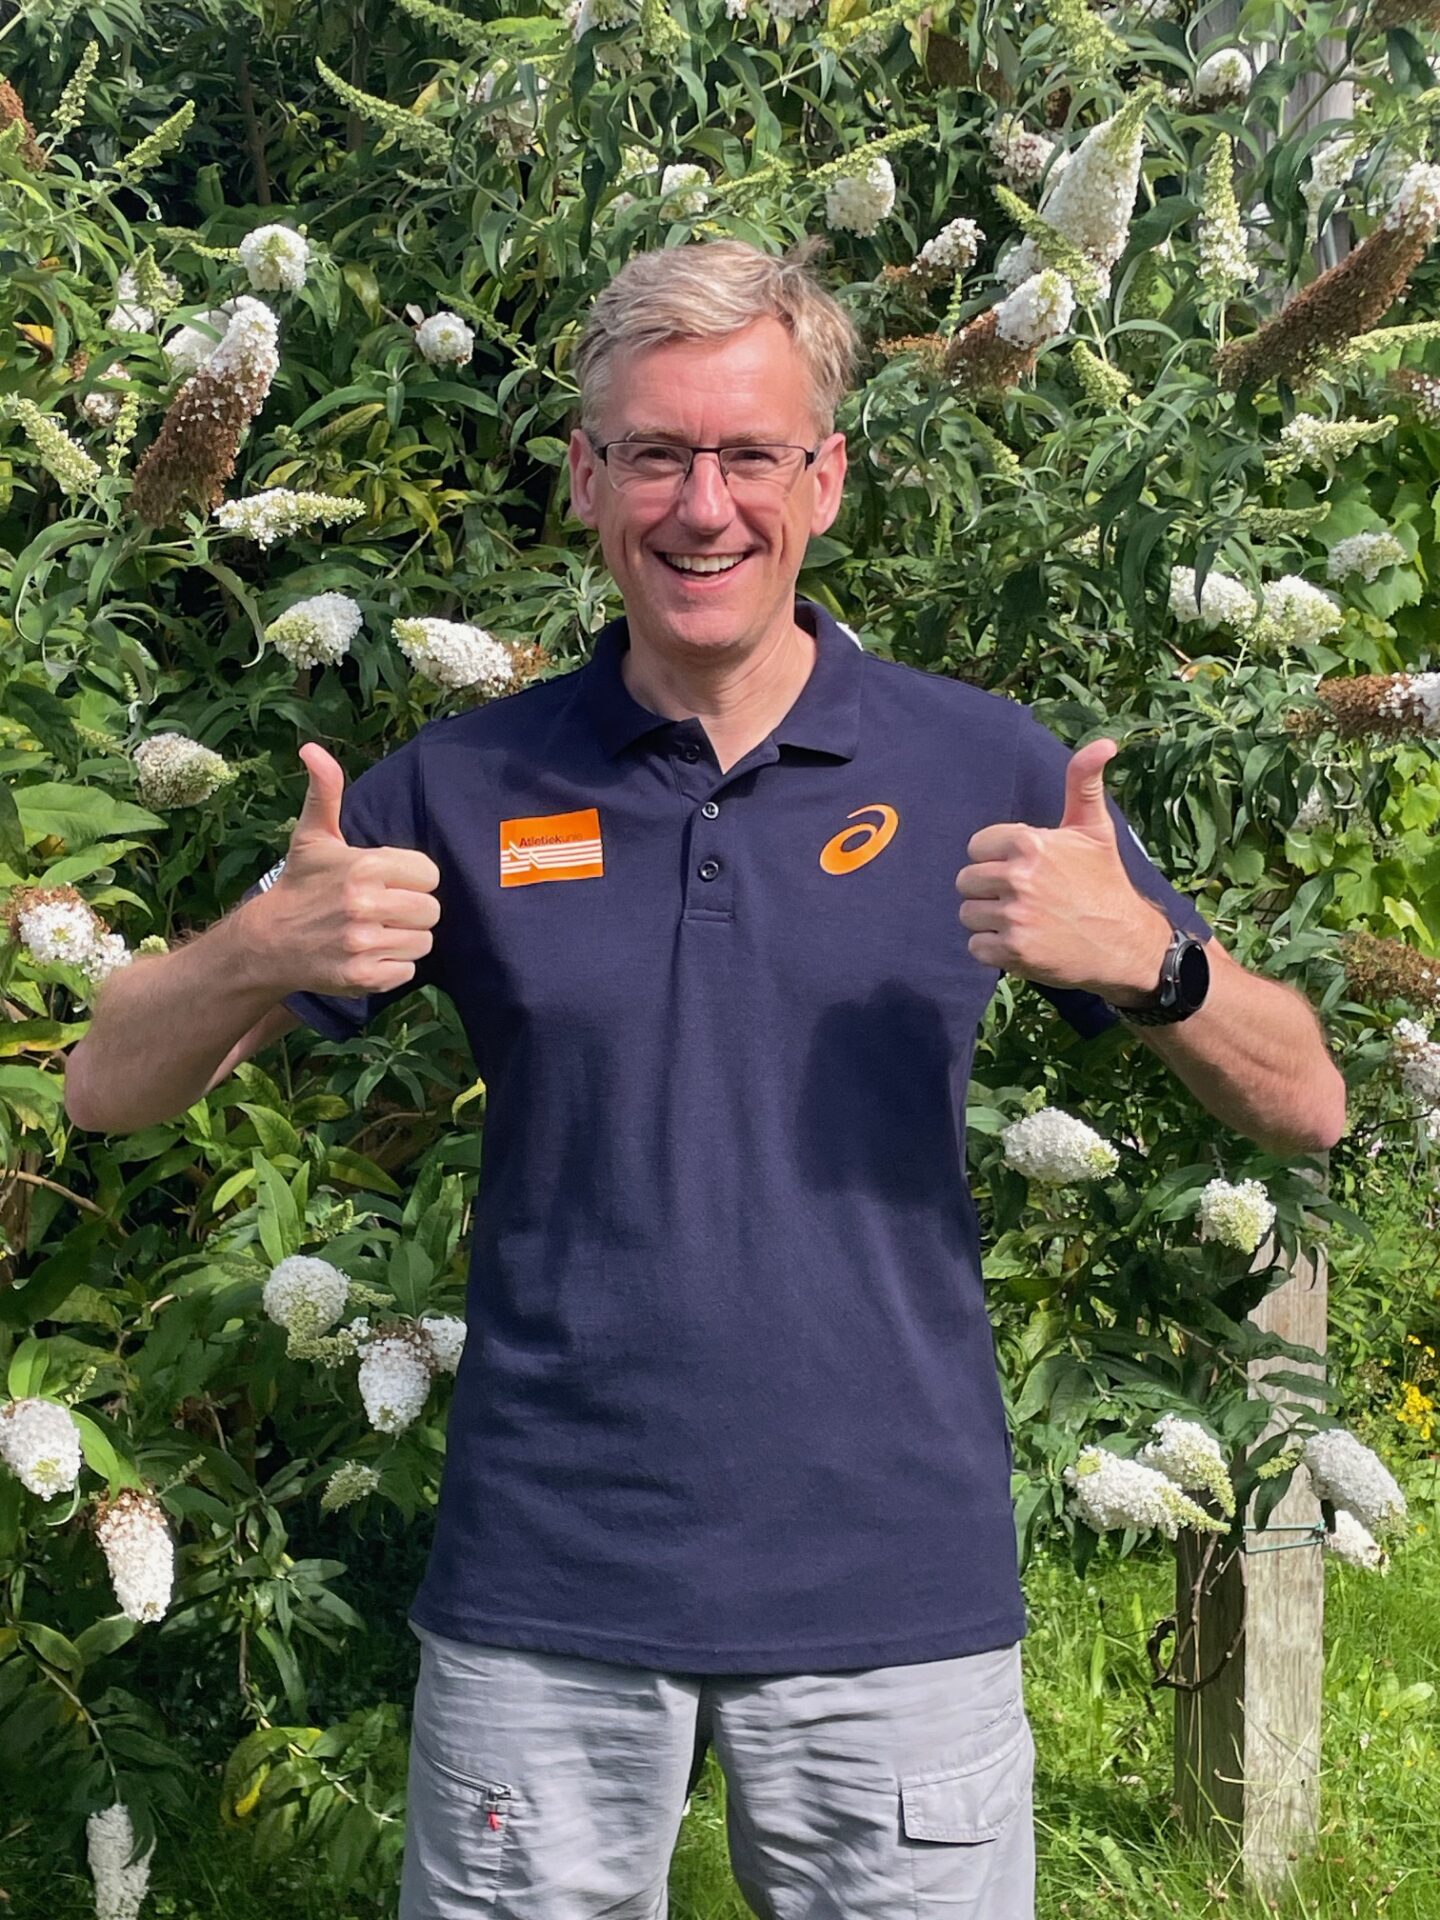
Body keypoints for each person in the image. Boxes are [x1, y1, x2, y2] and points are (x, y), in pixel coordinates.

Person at [64, 238, 1346, 1919]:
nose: (704, 506)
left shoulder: (986, 765)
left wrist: (1152, 962)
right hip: (549, 1589)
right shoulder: (462, 783)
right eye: (657, 454)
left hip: (893, 1597)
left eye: (750, 453)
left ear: (826, 479)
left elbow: (1306, 1102)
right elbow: (107, 1088)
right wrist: (255, 947)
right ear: (588, 480)